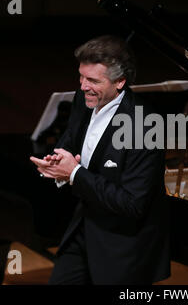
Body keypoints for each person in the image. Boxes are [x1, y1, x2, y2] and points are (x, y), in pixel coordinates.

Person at [30, 35, 170, 284]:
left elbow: (132, 204)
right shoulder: (82, 99)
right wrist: (55, 164)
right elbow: (70, 140)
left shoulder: (146, 127)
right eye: (81, 77)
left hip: (123, 249)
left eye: (93, 80)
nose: (83, 86)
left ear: (120, 82)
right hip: (82, 229)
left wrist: (73, 174)